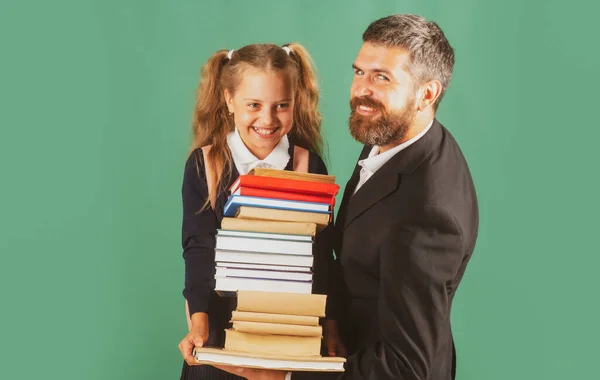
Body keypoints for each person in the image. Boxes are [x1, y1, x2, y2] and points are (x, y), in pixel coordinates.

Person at [214, 14, 479, 380]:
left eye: (381, 77)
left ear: (427, 94)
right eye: (359, 72)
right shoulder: (391, 134)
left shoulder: (428, 212)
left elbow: (407, 368)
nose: (361, 90)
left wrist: (287, 377)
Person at [177, 42, 343, 380]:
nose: (267, 119)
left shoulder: (308, 165)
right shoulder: (205, 165)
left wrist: (333, 327)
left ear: (295, 102)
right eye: (253, 104)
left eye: (281, 105)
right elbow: (199, 249)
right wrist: (199, 322)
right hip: (224, 338)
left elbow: (324, 256)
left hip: (295, 340)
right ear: (228, 100)